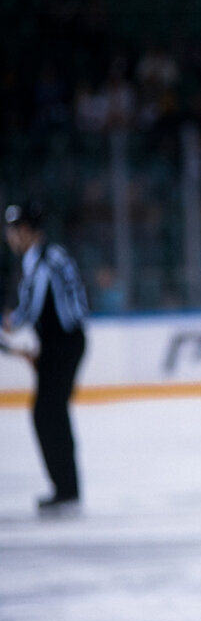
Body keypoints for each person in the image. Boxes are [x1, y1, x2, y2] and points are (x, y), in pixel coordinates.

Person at [4, 201, 89, 515]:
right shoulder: (52, 254)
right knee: (50, 412)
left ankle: (66, 490)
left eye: (12, 231)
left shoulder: (39, 260)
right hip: (62, 342)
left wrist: (13, 321)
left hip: (61, 343)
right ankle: (66, 488)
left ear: (25, 231)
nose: (9, 237)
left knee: (48, 412)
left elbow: (33, 305)